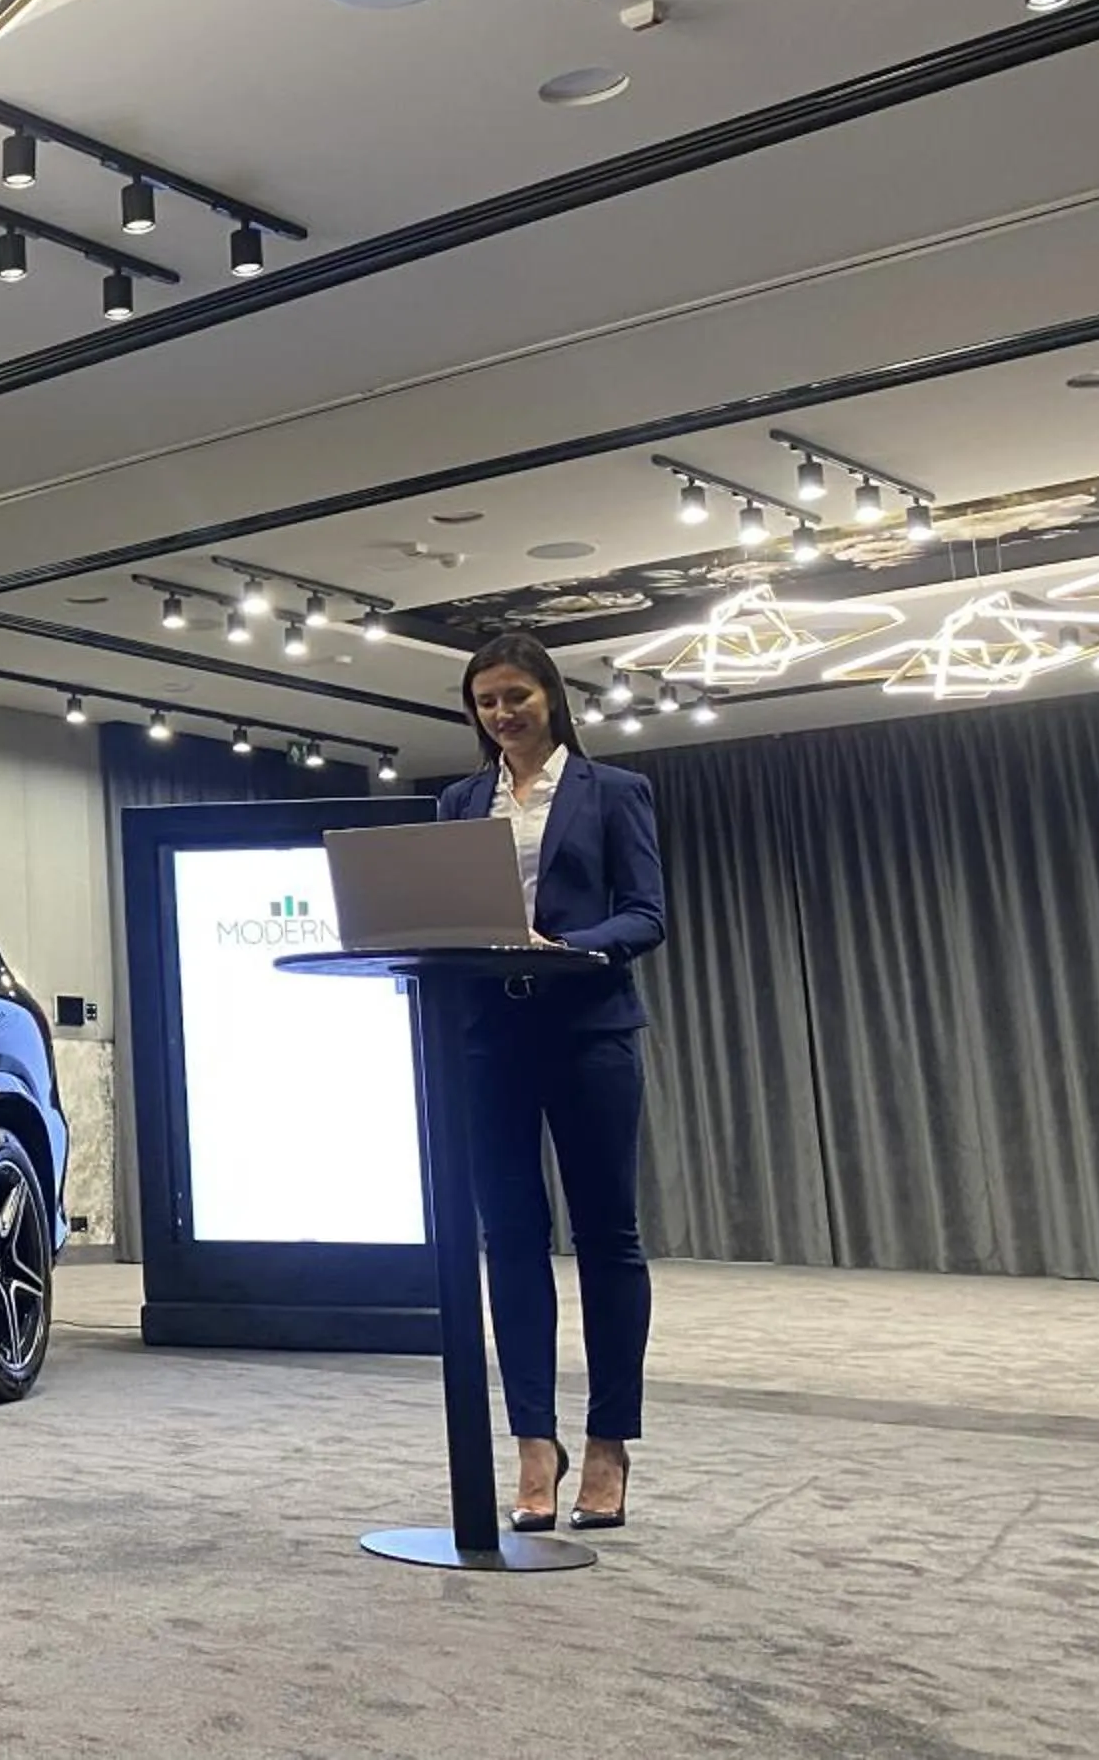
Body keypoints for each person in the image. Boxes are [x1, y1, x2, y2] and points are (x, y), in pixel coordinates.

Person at [435, 632, 667, 1533]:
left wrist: (573, 947)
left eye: (515, 697)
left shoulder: (614, 793)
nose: (501, 714)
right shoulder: (459, 801)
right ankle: (534, 1442)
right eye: (485, 701)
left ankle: (608, 1443)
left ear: (551, 698)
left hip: (590, 1028)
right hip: (489, 1034)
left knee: (609, 1237)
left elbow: (647, 914)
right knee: (511, 1239)